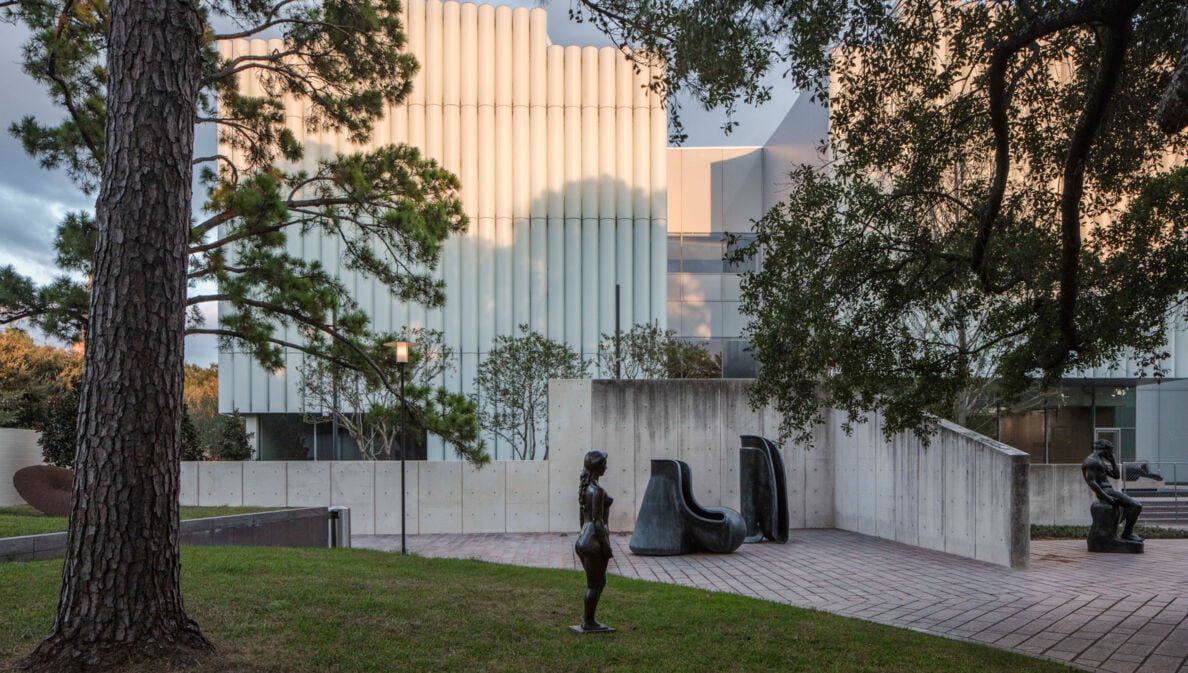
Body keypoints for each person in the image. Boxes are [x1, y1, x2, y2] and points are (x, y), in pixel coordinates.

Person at [575, 450, 613, 632]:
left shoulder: (587, 488)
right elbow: (598, 522)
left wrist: (581, 535)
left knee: (600, 581)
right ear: (598, 467)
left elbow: (584, 518)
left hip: (584, 539)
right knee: (594, 584)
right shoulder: (595, 491)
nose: (606, 466)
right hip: (593, 542)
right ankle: (588, 622)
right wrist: (606, 546)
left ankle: (590, 620)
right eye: (604, 463)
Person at [1082, 439, 1143, 541]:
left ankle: (1124, 532)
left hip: (1109, 490)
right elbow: (1092, 482)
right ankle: (1127, 533)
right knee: (1137, 505)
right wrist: (1107, 497)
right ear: (1105, 450)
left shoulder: (1100, 461)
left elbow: (1116, 476)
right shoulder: (1091, 461)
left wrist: (1112, 460)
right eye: (1111, 451)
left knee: (1129, 507)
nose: (1112, 453)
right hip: (1106, 492)